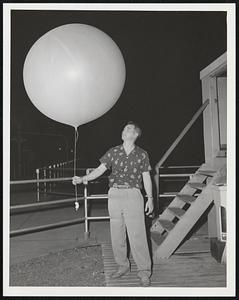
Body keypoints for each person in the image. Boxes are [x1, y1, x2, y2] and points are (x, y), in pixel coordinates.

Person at [72, 121, 154, 287]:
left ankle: (144, 272)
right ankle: (122, 266)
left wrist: (150, 198)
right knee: (117, 234)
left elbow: (146, 177)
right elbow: (99, 170)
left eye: (128, 129)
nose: (124, 131)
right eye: (124, 129)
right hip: (114, 194)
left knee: (137, 235)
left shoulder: (142, 154)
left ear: (136, 134)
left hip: (133, 194)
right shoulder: (113, 151)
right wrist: (82, 179)